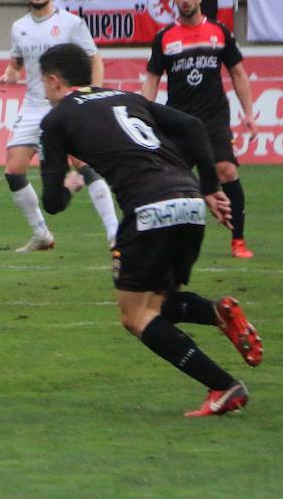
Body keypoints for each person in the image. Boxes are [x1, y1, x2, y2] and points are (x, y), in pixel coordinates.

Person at [36, 42, 262, 417]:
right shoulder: (127, 98)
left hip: (148, 208)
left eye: (43, 82)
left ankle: (224, 386)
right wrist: (209, 187)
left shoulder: (56, 119)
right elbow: (191, 125)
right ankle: (217, 315)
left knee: (135, 316)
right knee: (156, 303)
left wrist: (72, 184)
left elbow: (53, 204)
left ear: (54, 80)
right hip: (189, 203)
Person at [0, 0, 119, 251]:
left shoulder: (71, 24)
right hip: (34, 105)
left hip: (66, 105)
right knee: (13, 170)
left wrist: (93, 94)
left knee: (84, 163)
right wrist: (8, 76)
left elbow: (95, 59)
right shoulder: (19, 27)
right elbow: (16, 64)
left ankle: (114, 232)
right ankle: (41, 234)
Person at [142, 0, 257, 258]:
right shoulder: (165, 37)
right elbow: (152, 79)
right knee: (171, 180)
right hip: (179, 120)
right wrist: (143, 113)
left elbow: (238, 73)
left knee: (226, 170)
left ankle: (238, 240)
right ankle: (168, 241)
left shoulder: (219, 32)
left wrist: (249, 113)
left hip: (213, 119)